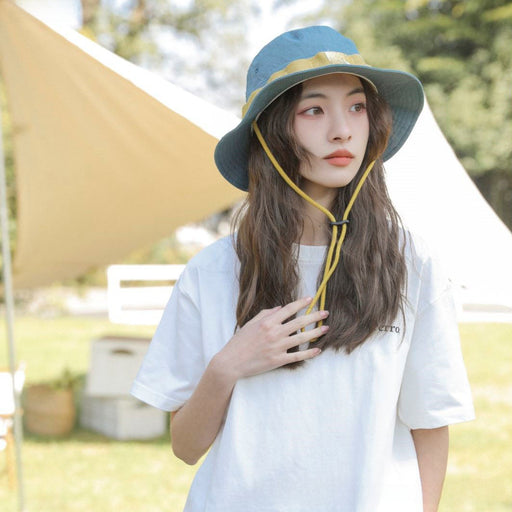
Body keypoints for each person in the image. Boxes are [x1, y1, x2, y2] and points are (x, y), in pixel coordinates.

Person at [131, 26, 474, 512]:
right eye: (314, 110)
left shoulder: (412, 266)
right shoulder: (212, 273)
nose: (342, 130)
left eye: (357, 107)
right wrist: (230, 364)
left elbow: (430, 424)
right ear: (271, 132)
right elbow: (185, 447)